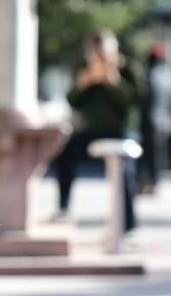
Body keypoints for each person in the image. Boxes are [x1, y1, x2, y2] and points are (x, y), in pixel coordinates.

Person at [51, 29, 139, 232]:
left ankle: (129, 224)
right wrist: (83, 84)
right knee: (67, 154)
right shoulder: (85, 70)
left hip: (121, 131)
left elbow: (133, 102)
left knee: (125, 171)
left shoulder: (127, 70)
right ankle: (63, 207)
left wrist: (114, 82)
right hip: (93, 131)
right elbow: (73, 101)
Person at [138, 42, 171, 195]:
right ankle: (155, 182)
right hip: (164, 121)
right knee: (158, 154)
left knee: (146, 154)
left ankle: (147, 182)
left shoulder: (150, 74)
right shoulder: (169, 77)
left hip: (149, 120)